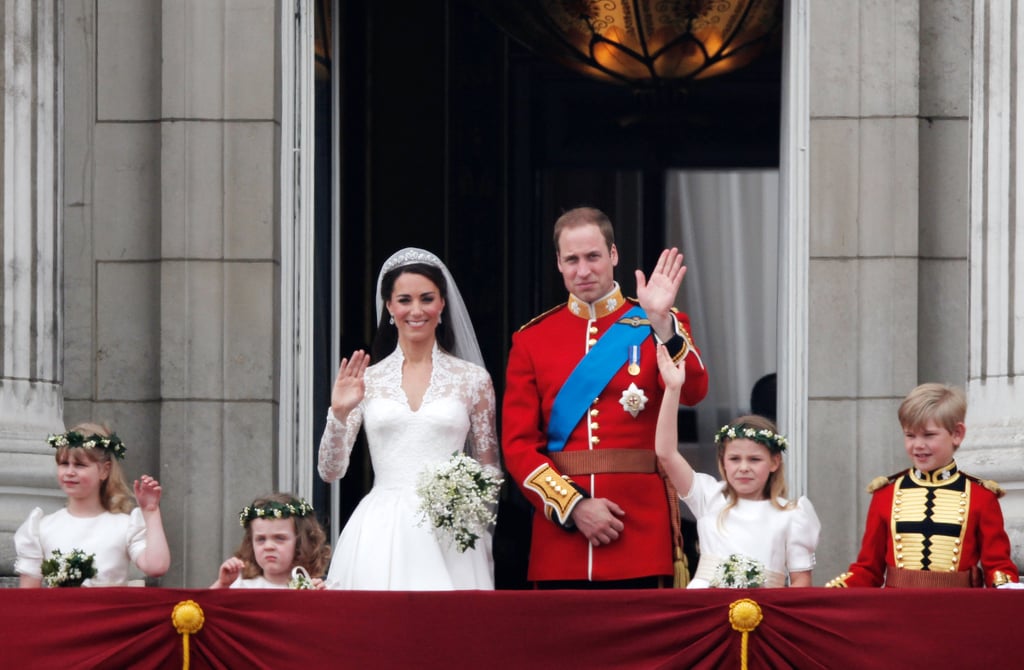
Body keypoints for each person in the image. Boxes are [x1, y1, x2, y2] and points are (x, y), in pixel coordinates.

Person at [501, 206, 709, 588]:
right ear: (558, 264)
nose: (583, 271)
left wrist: (663, 323)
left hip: (640, 533)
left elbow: (695, 391)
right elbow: (517, 446)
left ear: (613, 256)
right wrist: (573, 506)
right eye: (572, 260)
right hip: (562, 540)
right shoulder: (532, 339)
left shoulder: (655, 323)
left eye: (593, 256)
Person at [318, 247, 499, 590]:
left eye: (426, 298)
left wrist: (467, 513)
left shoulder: (473, 380)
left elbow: (489, 468)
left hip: (452, 533)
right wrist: (339, 414)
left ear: (442, 304)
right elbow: (330, 472)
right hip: (380, 530)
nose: (416, 310)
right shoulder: (366, 380)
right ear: (389, 306)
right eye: (404, 300)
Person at [826, 383, 1023, 589]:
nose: (918, 445)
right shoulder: (886, 494)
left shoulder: (981, 497)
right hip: (898, 612)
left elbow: (997, 565)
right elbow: (868, 570)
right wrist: (836, 591)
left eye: (928, 435)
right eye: (910, 435)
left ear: (957, 434)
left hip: (956, 613)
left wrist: (1004, 586)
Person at [655, 345, 820, 587]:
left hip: (765, 611)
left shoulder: (793, 514)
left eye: (755, 459)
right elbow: (666, 453)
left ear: (775, 462)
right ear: (722, 461)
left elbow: (801, 583)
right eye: (735, 459)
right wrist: (672, 390)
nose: (744, 467)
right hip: (706, 607)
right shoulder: (708, 496)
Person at [14, 423, 171, 587]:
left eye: (80, 465)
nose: (70, 472)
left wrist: (150, 511)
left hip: (110, 611)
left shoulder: (125, 525)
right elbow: (28, 595)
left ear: (104, 470)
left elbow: (156, 567)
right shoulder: (42, 527)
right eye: (64, 464)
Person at [210, 493, 331, 589]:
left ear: (301, 542)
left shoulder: (315, 586)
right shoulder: (242, 586)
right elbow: (202, 613)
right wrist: (222, 585)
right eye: (261, 539)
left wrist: (320, 598)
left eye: (279, 538)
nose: (268, 547)